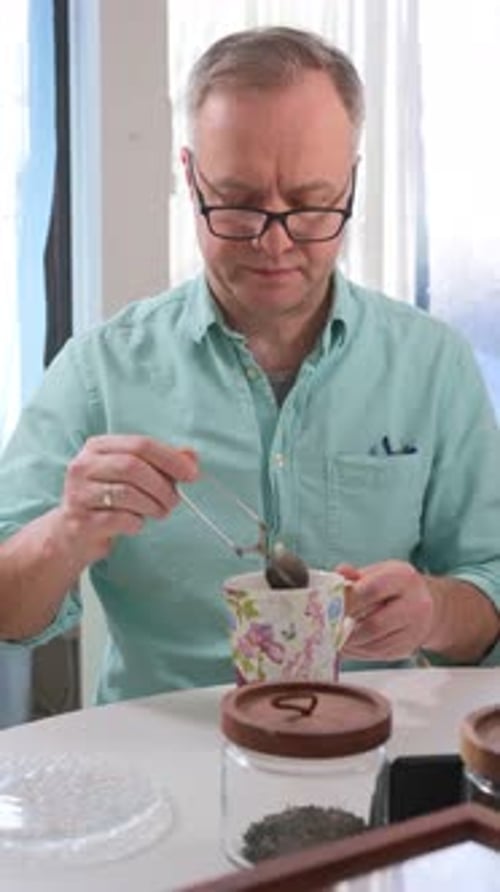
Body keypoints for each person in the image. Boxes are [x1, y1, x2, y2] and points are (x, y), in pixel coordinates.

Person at [1, 27, 499, 705]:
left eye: (309, 204)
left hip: (378, 754)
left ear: (351, 180)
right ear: (188, 175)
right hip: (158, 764)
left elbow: (488, 588)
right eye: (237, 204)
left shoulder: (431, 365)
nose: (274, 242)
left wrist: (435, 611)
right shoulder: (100, 370)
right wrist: (66, 531)